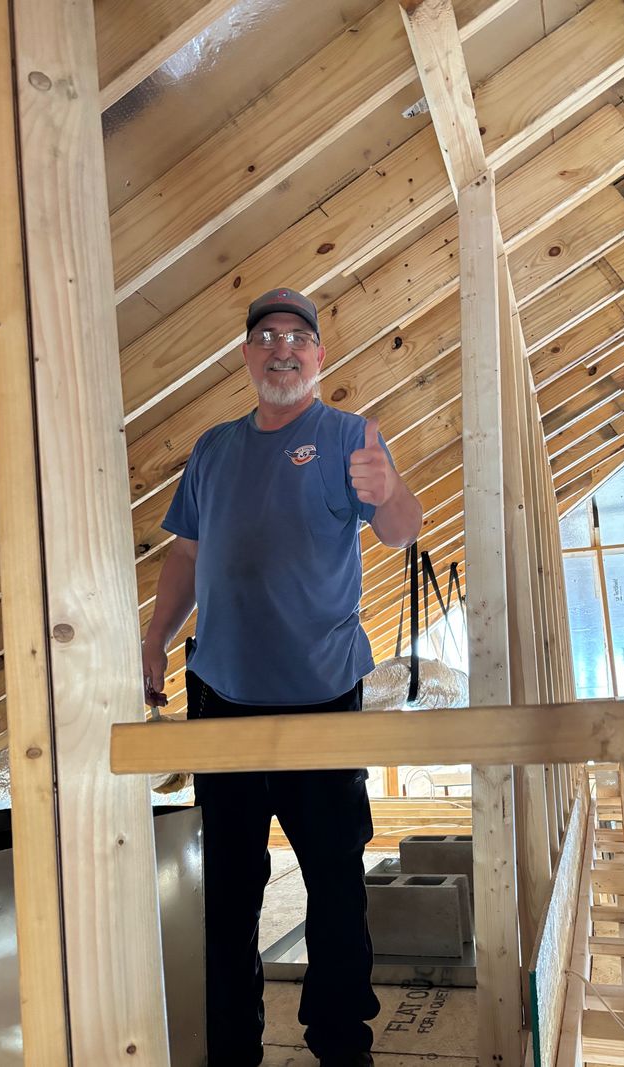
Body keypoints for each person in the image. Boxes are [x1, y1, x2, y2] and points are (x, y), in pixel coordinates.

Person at [141, 287, 422, 1066]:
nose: (282, 349)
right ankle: (231, 1048)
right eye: (266, 337)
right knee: (228, 892)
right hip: (221, 695)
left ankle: (341, 1044)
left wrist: (388, 489)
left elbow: (403, 532)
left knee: (335, 882)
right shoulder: (213, 448)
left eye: (298, 337)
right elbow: (187, 554)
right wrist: (156, 634)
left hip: (322, 699)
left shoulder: (348, 438)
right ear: (247, 356)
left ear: (319, 357)